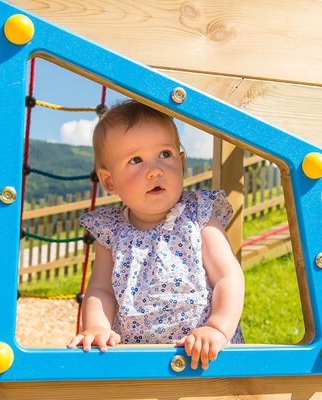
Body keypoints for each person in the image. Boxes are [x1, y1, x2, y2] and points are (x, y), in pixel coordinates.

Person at [67, 100, 244, 370]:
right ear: (109, 181)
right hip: (136, 359)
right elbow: (101, 289)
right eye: (135, 160)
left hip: (204, 354)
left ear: (182, 162)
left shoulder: (199, 215)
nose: (155, 169)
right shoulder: (111, 231)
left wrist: (217, 329)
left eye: (165, 154)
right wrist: (97, 327)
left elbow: (228, 276)